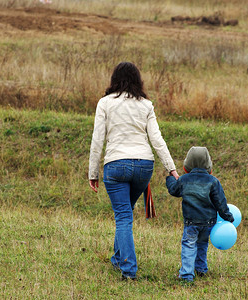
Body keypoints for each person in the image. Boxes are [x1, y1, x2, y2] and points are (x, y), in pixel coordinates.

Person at [88, 62, 179, 280]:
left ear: (114, 79)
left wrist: (93, 173)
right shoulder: (146, 105)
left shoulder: (105, 103)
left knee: (123, 217)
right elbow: (156, 140)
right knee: (126, 212)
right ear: (138, 80)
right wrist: (171, 168)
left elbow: (97, 139)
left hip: (116, 165)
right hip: (143, 166)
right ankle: (118, 259)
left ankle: (128, 270)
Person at [166, 146, 234, 282]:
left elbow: (174, 190)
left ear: (188, 163)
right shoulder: (213, 181)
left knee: (189, 244)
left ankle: (186, 275)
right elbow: (220, 202)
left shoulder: (184, 180)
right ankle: (201, 269)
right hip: (208, 222)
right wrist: (228, 217)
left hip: (191, 222)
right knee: (202, 244)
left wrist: (170, 179)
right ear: (208, 164)